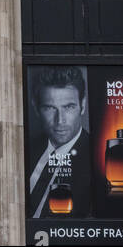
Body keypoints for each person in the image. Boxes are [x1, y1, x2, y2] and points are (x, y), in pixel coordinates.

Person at [29, 66, 92, 219]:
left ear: (82, 106)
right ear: (36, 108)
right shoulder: (26, 150)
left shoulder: (97, 157)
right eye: (50, 108)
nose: (60, 120)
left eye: (69, 107)